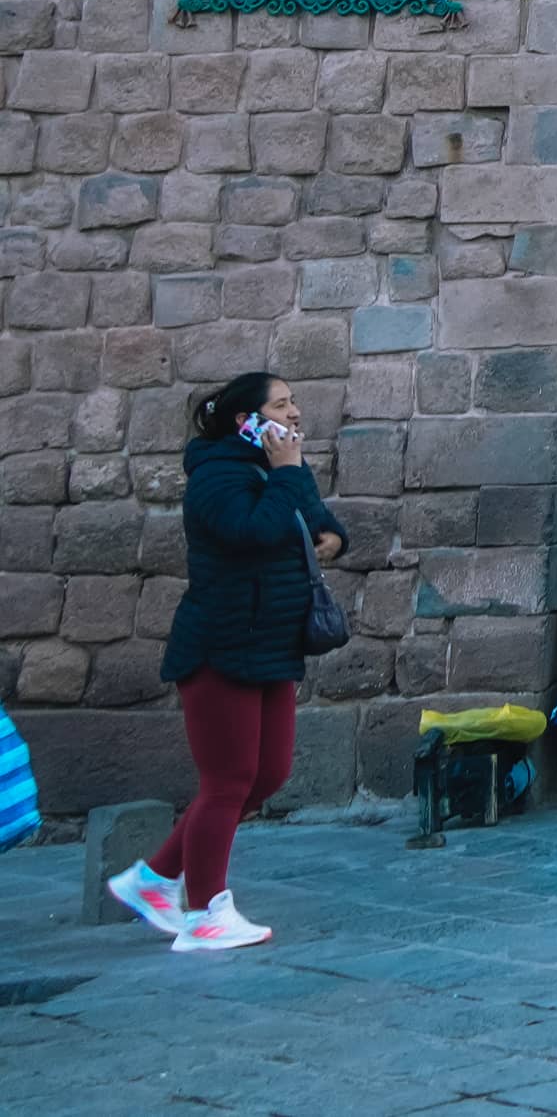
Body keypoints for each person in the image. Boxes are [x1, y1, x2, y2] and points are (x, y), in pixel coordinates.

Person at [103, 374, 346, 952]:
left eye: (293, 401)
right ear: (248, 420)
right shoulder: (215, 475)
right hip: (220, 646)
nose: (294, 412)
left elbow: (310, 513)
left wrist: (332, 533)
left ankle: (154, 879)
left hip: (272, 645)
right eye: (281, 404)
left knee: (268, 775)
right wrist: (286, 473)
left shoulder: (276, 463)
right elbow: (252, 533)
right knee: (227, 781)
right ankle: (206, 913)